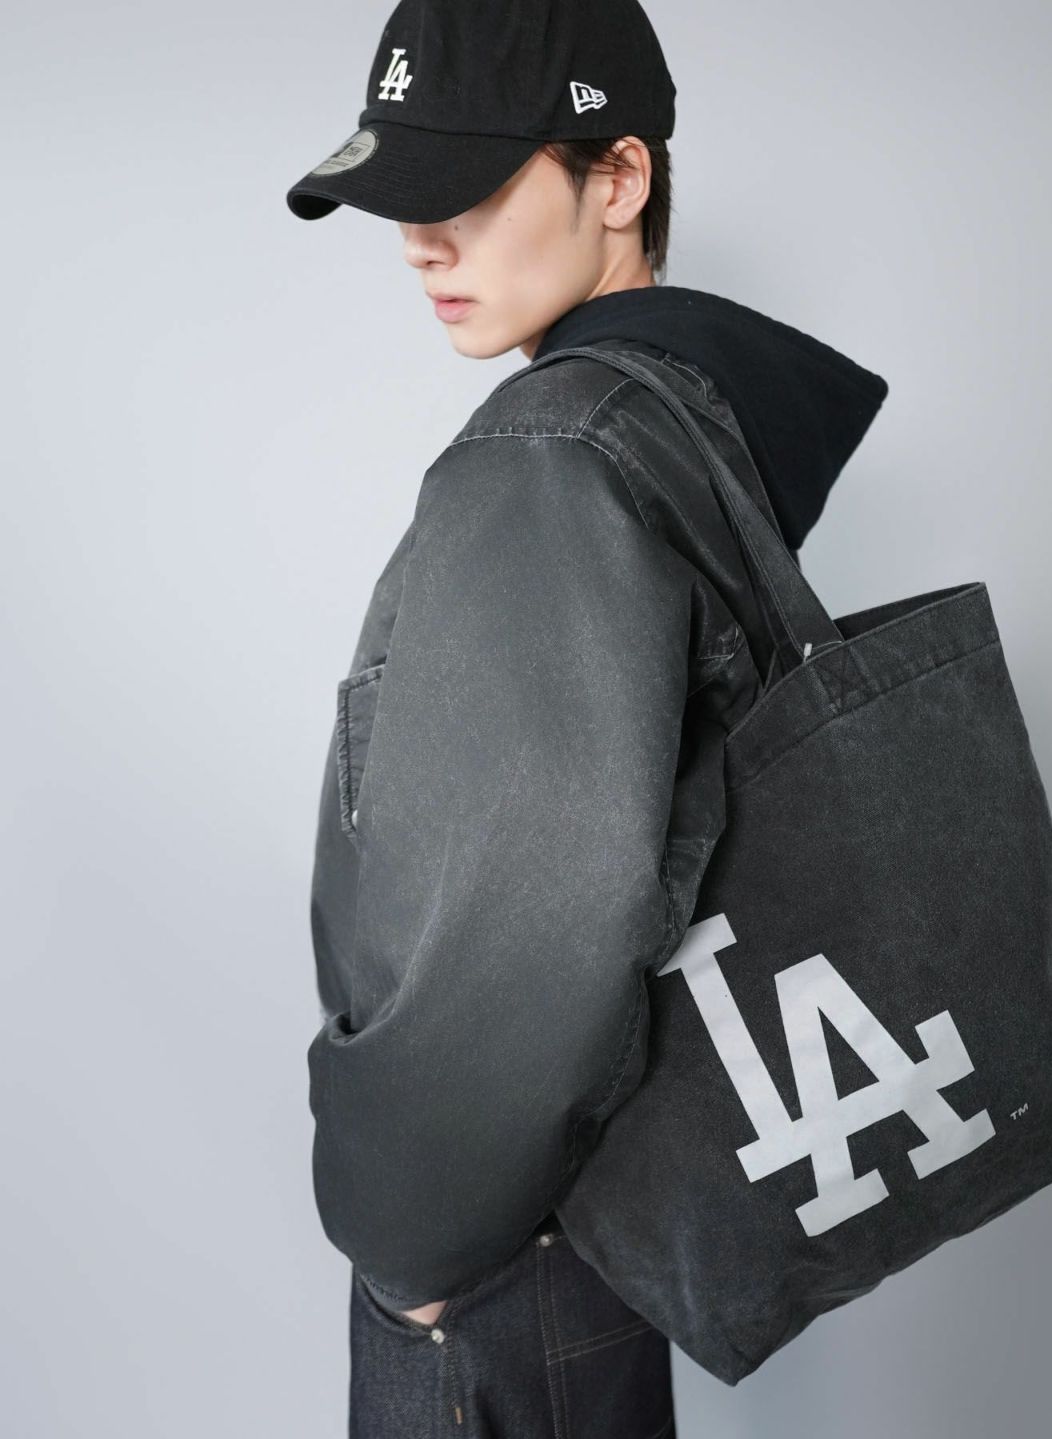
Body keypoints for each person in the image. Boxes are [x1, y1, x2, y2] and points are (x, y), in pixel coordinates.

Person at [286, 2, 888, 1433]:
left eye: (464, 190)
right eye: (401, 198)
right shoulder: (678, 423)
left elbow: (539, 903)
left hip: (500, 1254)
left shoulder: (550, 456)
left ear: (618, 179)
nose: (418, 243)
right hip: (597, 1212)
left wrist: (412, 1253)